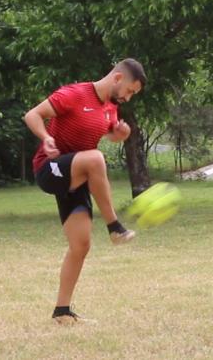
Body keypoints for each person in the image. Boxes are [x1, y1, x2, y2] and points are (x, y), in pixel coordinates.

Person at [23, 58, 146, 324]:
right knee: (95, 159)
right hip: (50, 168)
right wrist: (46, 138)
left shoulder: (110, 108)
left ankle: (62, 311)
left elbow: (106, 131)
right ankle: (114, 226)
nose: (128, 96)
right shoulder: (74, 94)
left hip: (76, 176)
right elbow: (32, 115)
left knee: (80, 245)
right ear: (117, 78)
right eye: (129, 90)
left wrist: (119, 135)